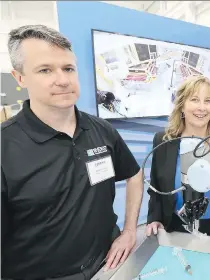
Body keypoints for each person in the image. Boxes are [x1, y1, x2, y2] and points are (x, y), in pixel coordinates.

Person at [1, 25, 144, 279]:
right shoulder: (5, 146)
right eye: (45, 70)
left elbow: (133, 175)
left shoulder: (102, 129)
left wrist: (130, 230)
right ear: (20, 78)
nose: (63, 80)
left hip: (107, 267)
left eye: (68, 68)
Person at [145, 75, 210, 244]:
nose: (202, 108)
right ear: (182, 106)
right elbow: (156, 187)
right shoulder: (164, 141)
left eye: (208, 101)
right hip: (176, 226)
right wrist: (154, 218)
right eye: (194, 100)